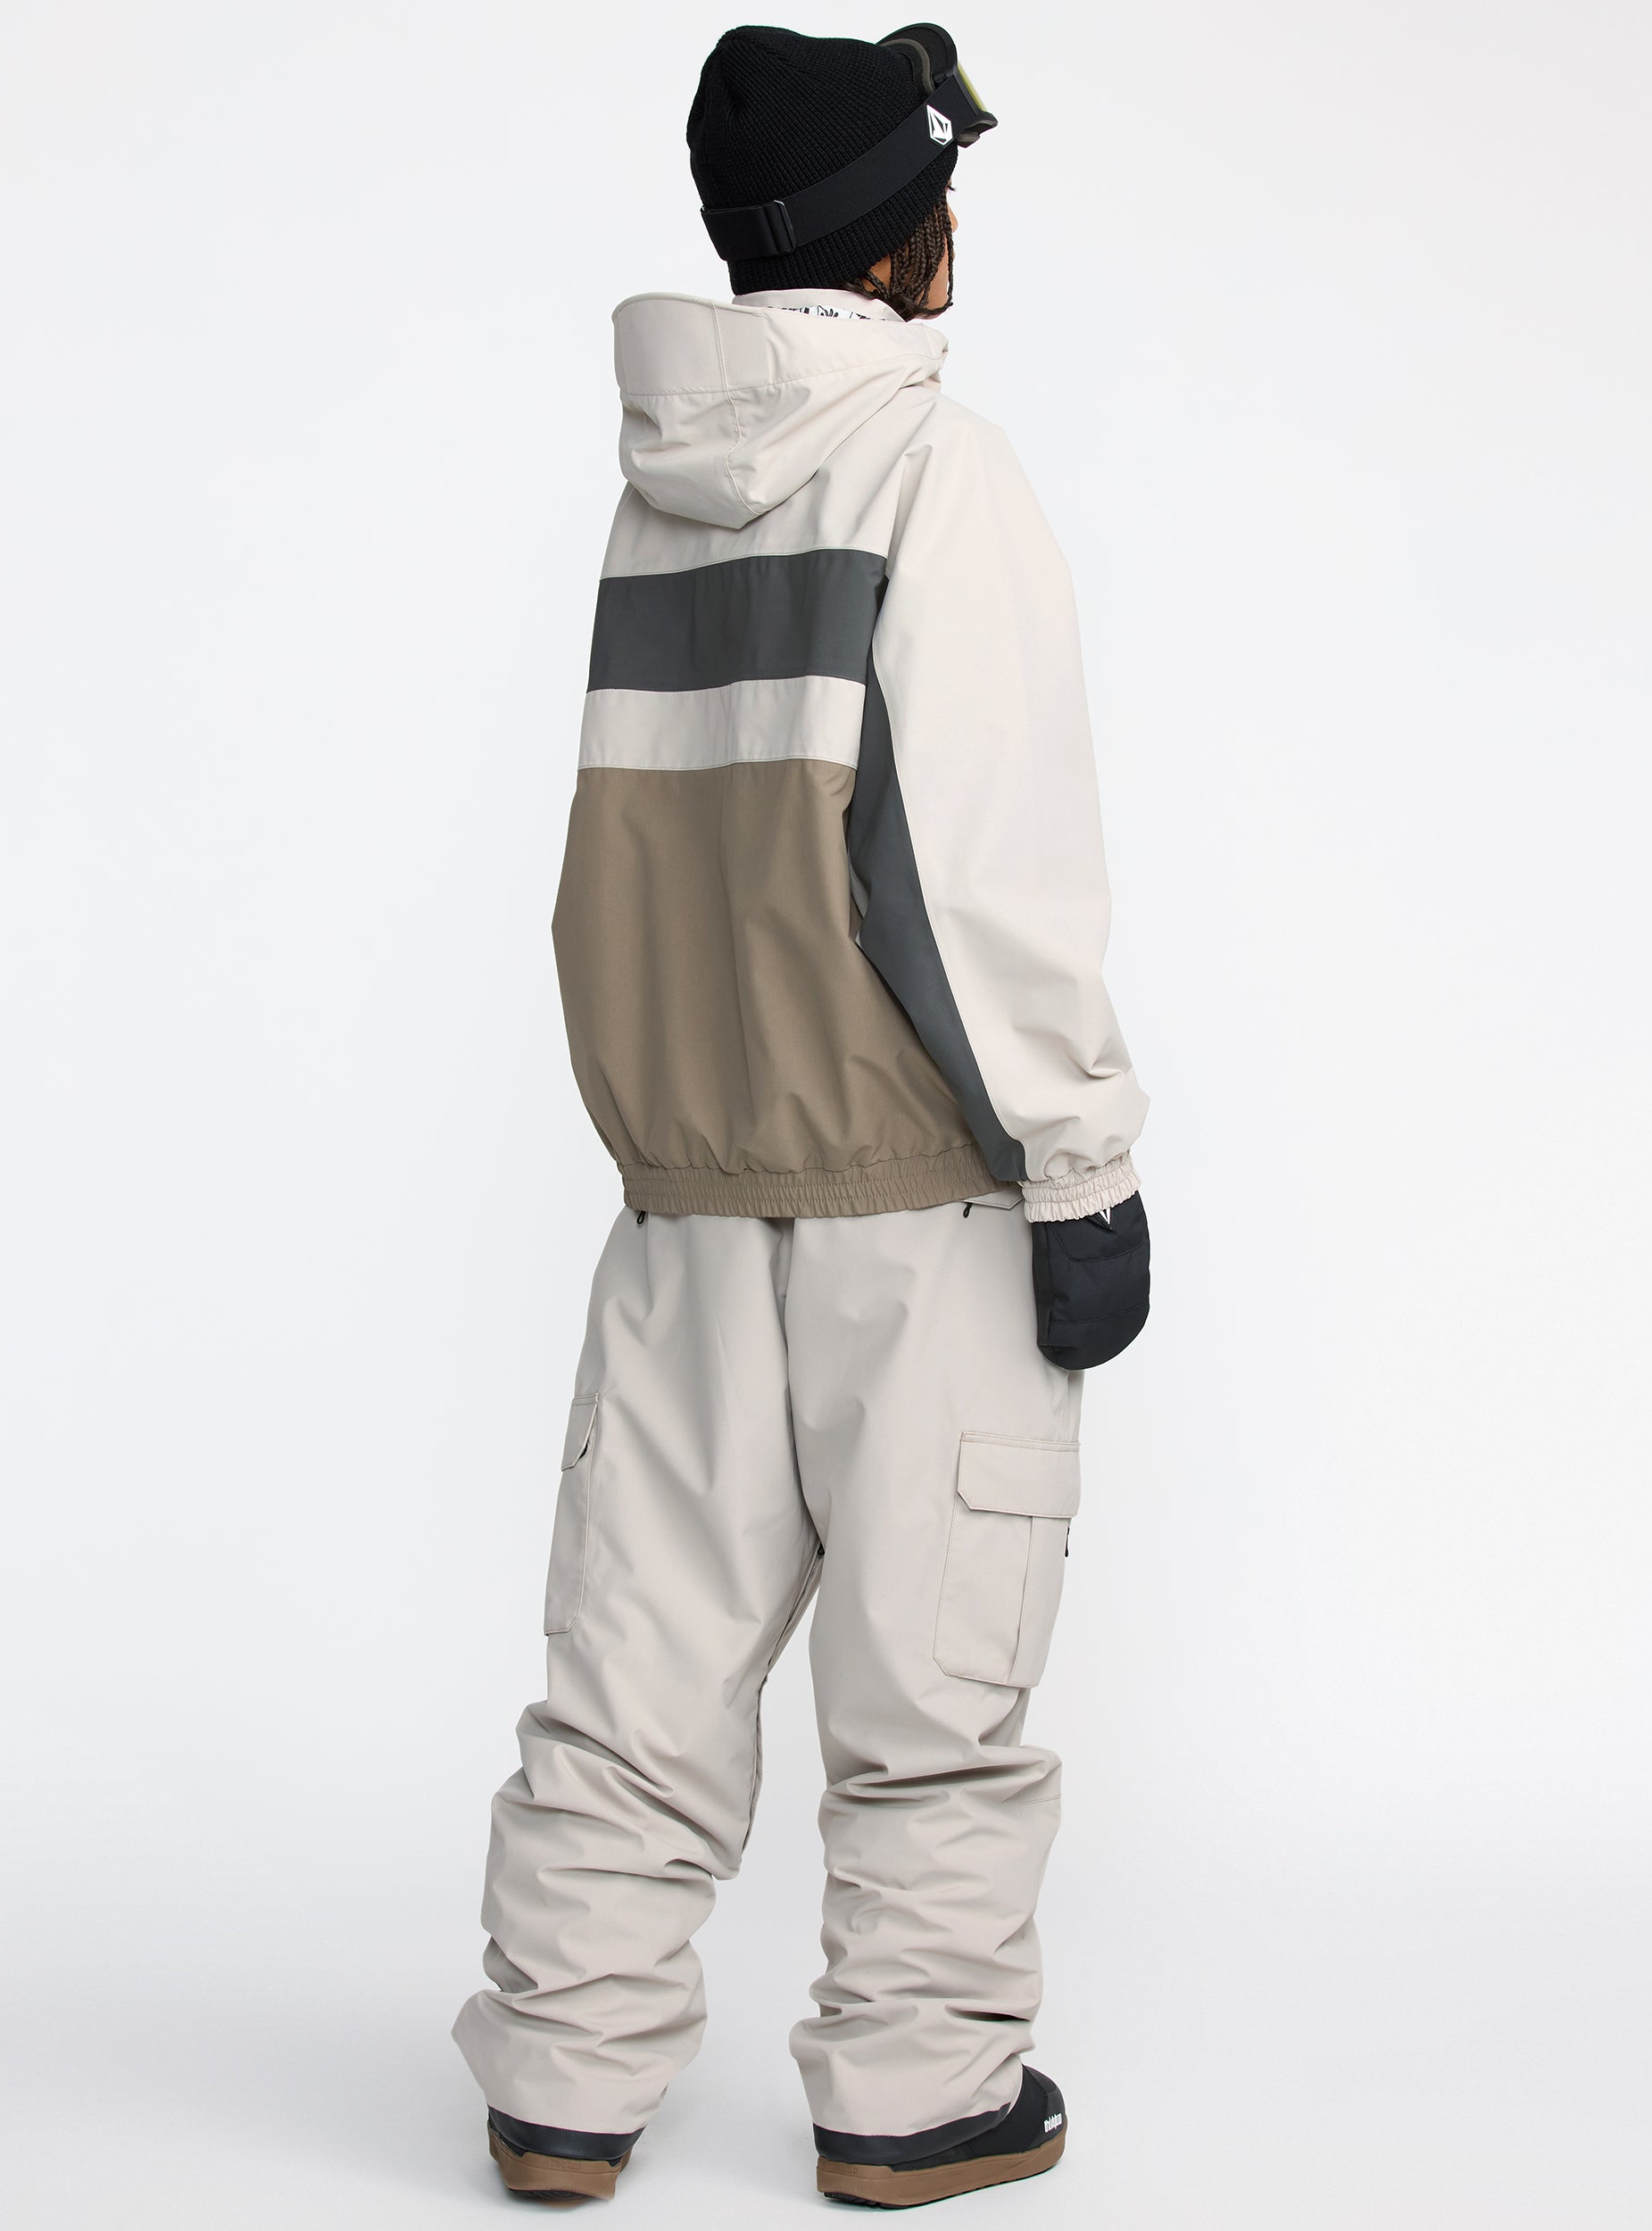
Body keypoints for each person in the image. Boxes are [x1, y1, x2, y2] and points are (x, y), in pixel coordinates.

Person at [454, 21, 1150, 2209]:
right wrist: (1083, 1166)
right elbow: (982, 865)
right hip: (913, 1189)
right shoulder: (940, 473)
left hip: (682, 1195)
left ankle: (562, 2077)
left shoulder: (658, 486)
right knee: (931, 1682)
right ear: (904, 241)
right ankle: (914, 2091)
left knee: (632, 1664)